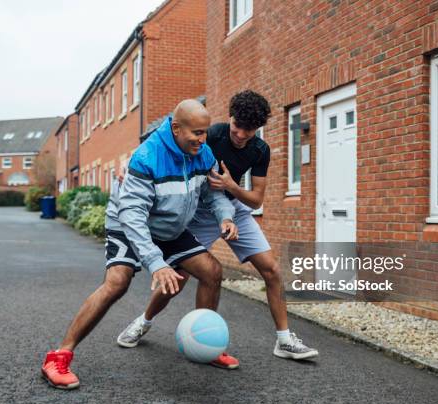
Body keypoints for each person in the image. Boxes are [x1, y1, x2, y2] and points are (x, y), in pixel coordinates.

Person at [41, 99, 238, 389]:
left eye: (205, 132)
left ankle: (205, 346)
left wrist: (225, 217)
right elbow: (132, 215)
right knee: (117, 282)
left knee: (212, 272)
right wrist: (156, 262)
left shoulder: (203, 153)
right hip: (129, 224)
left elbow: (213, 194)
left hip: (169, 227)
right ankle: (57, 357)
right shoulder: (147, 157)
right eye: (196, 132)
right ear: (176, 128)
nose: (202, 139)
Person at [117, 90, 318, 369]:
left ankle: (284, 340)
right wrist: (129, 170)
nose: (241, 135)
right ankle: (143, 322)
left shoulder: (260, 150)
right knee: (180, 276)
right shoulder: (210, 134)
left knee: (271, 269)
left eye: (249, 131)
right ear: (231, 118)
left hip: (234, 210)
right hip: (198, 212)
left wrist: (231, 187)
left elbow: (256, 199)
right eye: (238, 127)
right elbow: (164, 149)